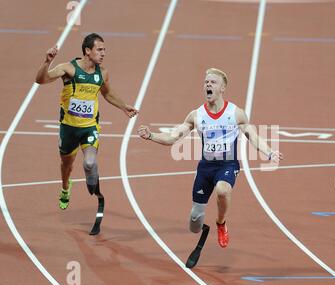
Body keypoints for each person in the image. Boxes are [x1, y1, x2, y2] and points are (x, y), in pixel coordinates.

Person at [138, 68, 283, 249]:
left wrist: (269, 152)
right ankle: (200, 222)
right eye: (206, 82)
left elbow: (253, 136)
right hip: (205, 168)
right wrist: (150, 135)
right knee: (195, 222)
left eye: (213, 82)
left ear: (222, 88)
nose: (208, 84)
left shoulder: (236, 113)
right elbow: (173, 137)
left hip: (228, 164)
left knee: (222, 190)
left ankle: (221, 223)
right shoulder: (196, 115)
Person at [36, 33, 139, 211]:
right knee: (66, 166)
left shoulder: (102, 73)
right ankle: (65, 188)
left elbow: (107, 93)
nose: (103, 53)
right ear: (87, 51)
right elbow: (40, 80)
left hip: (89, 127)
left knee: (90, 163)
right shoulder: (69, 69)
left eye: (104, 50)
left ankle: (92, 183)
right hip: (68, 128)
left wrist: (123, 106)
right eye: (99, 50)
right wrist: (47, 61)